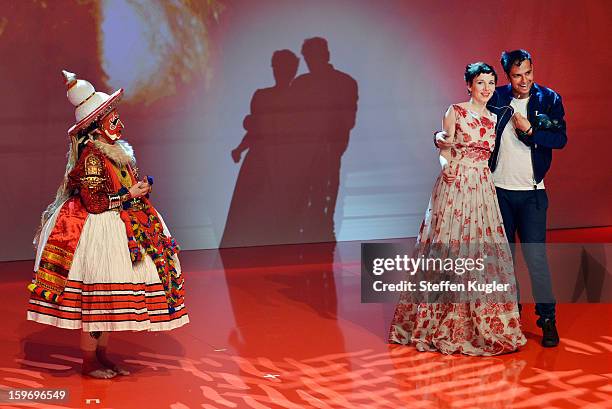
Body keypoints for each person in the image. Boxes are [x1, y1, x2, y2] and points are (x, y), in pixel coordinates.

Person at [27, 71, 189, 379]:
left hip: (122, 222)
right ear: (98, 124)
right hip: (97, 228)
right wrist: (130, 194)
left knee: (112, 301)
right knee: (98, 298)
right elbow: (96, 203)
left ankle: (102, 356)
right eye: (112, 117)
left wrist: (136, 191)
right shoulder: (92, 157)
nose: (119, 122)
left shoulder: (118, 153)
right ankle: (90, 361)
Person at [390, 63, 526, 356]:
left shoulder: (493, 118)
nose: (487, 88)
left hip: (482, 188)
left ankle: (479, 323)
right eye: (481, 83)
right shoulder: (456, 110)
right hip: (456, 185)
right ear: (469, 85)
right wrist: (447, 168)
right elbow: (444, 148)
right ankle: (440, 322)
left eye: (491, 82)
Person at [437, 50, 567, 347]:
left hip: (532, 192)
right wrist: (438, 136)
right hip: (496, 192)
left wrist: (531, 130)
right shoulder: (495, 96)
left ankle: (547, 319)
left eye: (529, 73)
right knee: (502, 261)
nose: (525, 81)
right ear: (508, 76)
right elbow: (464, 122)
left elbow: (560, 138)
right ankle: (512, 319)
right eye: (518, 75)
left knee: (536, 260)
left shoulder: (549, 99)